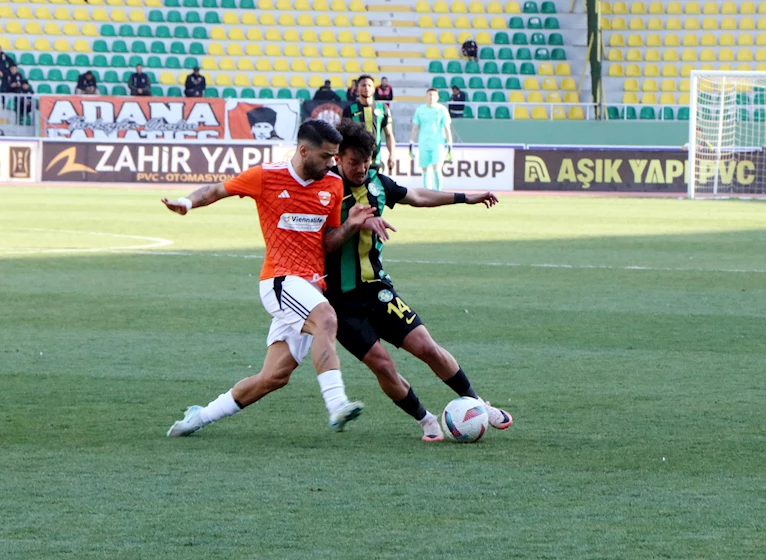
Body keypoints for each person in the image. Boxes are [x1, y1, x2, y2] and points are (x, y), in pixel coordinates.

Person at [161, 120, 393, 437]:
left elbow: (327, 241)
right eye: (326, 157)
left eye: (335, 157)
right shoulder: (266, 177)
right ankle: (337, 403)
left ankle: (198, 418)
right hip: (280, 281)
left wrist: (351, 226)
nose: (332, 164)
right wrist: (187, 203)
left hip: (311, 287)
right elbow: (216, 190)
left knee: (274, 377)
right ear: (303, 150)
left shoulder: (333, 186)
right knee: (326, 318)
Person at [326, 121, 511, 442]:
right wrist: (356, 222)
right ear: (338, 158)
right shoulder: (323, 189)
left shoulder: (377, 183)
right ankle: (426, 421)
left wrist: (465, 198)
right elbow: (321, 242)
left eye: (366, 161)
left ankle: (478, 404)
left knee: (428, 348)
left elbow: (417, 195)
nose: (361, 168)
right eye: (353, 162)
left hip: (377, 289)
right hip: (341, 304)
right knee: (383, 365)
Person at [342, 75, 396, 173]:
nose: (366, 88)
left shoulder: (382, 109)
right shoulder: (349, 110)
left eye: (369, 85)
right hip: (355, 159)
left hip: (376, 159)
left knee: (375, 186)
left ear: (374, 89)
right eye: (363, 85)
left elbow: (389, 134)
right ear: (358, 88)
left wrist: (392, 154)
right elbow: (344, 137)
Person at [409, 88, 453, 191]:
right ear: (426, 96)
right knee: (424, 169)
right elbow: (415, 128)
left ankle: (438, 192)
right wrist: (411, 143)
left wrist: (450, 145)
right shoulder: (420, 110)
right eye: (429, 95)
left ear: (437, 97)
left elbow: (447, 128)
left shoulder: (442, 110)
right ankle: (427, 192)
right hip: (424, 143)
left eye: (433, 95)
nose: (431, 97)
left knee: (436, 168)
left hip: (437, 143)